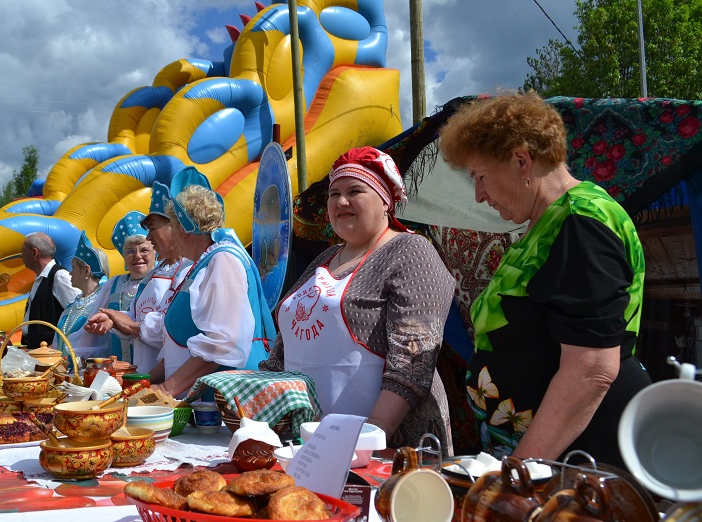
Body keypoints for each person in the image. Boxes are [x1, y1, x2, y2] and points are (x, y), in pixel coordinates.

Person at [437, 91, 650, 468]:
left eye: (481, 177)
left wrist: (518, 472)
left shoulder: (581, 221)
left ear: (521, 159)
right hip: (550, 461)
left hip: (581, 461)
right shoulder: (547, 224)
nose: (479, 195)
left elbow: (592, 369)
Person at [260, 147, 455, 451]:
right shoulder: (324, 259)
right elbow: (283, 349)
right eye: (333, 194)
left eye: (355, 191)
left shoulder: (410, 251)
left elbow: (414, 360)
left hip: (381, 446)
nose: (341, 202)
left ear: (385, 201)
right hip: (304, 441)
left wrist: (370, 437)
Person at [141, 167, 276, 397]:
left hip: (229, 402)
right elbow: (185, 344)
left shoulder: (223, 259)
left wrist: (166, 389)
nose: (172, 235)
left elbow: (223, 342)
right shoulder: (206, 261)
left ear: (183, 228)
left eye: (172, 226)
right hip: (207, 399)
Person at [87, 181, 193, 373]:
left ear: (174, 226)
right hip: (148, 371)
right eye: (130, 252)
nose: (150, 238)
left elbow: (178, 327)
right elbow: (140, 315)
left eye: (152, 229)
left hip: (176, 377)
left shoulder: (193, 270)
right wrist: (114, 320)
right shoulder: (156, 273)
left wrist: (130, 325)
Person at [87, 211, 156, 363]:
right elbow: (92, 332)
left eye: (144, 250)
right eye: (131, 251)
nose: (138, 256)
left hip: (152, 368)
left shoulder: (160, 281)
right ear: (124, 256)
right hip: (117, 368)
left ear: (155, 253)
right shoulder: (113, 284)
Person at [52, 231, 109, 360]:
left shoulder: (102, 304)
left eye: (73, 268)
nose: (70, 273)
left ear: (86, 270)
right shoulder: (73, 306)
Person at [21, 232, 79, 348]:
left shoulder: (59, 276)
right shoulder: (40, 278)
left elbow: (78, 314)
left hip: (50, 355)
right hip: (35, 350)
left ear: (34, 252)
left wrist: (58, 345)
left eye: (23, 250)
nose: (21, 255)